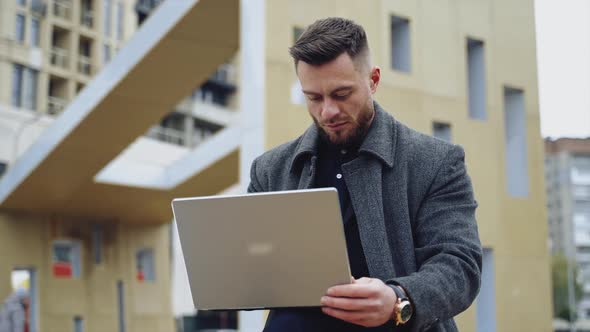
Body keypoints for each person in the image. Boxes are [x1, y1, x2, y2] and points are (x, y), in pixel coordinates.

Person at [247, 17, 482, 331]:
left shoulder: (437, 161)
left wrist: (398, 299)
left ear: (373, 80)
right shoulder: (269, 169)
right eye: (314, 98)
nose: (327, 112)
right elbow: (253, 265)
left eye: (341, 94)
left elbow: (459, 265)